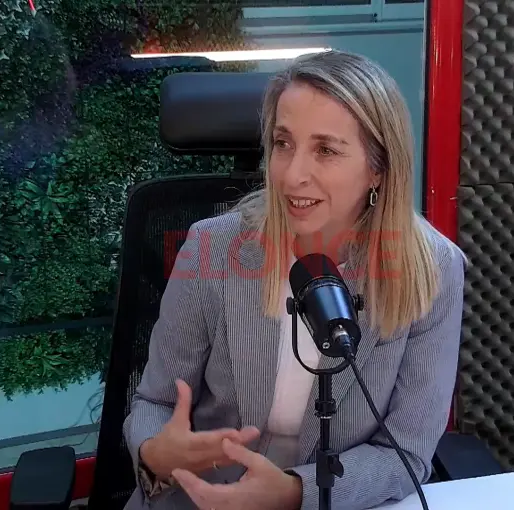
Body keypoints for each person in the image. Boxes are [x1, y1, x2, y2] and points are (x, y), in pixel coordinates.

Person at [123, 49, 466, 510]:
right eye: (283, 144)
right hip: (200, 498)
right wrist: (155, 454)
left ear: (378, 168)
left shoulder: (433, 270)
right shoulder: (213, 248)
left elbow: (404, 453)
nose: (292, 175)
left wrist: (294, 493)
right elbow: (155, 402)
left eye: (325, 150)